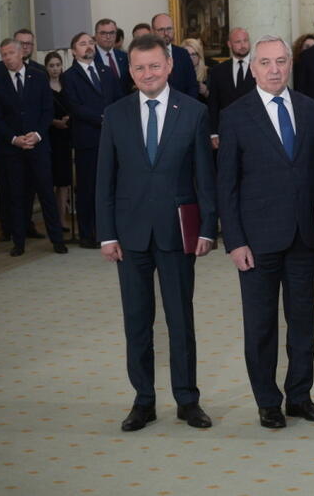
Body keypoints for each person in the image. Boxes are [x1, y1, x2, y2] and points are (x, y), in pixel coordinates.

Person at [96, 34, 217, 432]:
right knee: (137, 320)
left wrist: (207, 228)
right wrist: (106, 234)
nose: (147, 73)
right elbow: (104, 181)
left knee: (181, 319)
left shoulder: (194, 112)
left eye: (154, 65)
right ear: (130, 71)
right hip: (129, 236)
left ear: (168, 66)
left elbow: (204, 176)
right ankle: (143, 400)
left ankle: (187, 399)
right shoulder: (115, 114)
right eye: (139, 67)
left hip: (177, 231)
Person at [217, 35, 314, 429]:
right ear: (252, 69)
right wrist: (234, 240)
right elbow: (226, 185)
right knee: (261, 325)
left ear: (290, 65)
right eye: (265, 62)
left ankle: (299, 396)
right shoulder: (235, 115)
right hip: (256, 239)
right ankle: (267, 401)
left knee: (303, 321)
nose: (274, 69)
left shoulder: (312, 110)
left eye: (281, 61)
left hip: (302, 235)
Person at [0, 39, 67, 256]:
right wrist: (15, 139)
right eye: (3, 54)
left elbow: (47, 110)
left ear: (21, 53)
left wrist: (38, 135)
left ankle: (57, 241)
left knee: (46, 194)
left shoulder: (39, 77)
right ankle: (19, 243)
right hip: (13, 149)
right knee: (17, 196)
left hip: (38, 146)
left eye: (10, 53)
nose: (7, 58)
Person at [61, 32, 124, 249]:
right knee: (88, 188)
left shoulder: (107, 72)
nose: (88, 46)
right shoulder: (69, 76)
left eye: (90, 43)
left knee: (111, 185)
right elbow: (74, 106)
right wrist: (102, 118)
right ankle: (87, 233)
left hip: (111, 138)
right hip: (87, 139)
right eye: (82, 43)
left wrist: (114, 119)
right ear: (73, 51)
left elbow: (119, 99)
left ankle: (109, 231)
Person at [208, 28, 255, 150]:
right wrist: (213, 133)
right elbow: (213, 103)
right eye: (238, 42)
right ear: (229, 44)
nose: (243, 45)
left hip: (254, 129)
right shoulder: (218, 71)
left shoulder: (259, 67)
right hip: (227, 132)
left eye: (245, 41)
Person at [45, 52, 72, 230]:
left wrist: (69, 118)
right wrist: (54, 122)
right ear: (46, 67)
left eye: (57, 65)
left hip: (66, 137)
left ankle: (62, 219)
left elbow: (75, 104)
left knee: (64, 182)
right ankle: (52, 221)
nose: (55, 69)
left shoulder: (67, 84)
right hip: (48, 138)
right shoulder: (42, 86)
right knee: (50, 181)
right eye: (51, 65)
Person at [151, 13, 199, 99]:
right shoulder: (146, 55)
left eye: (169, 29)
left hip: (183, 107)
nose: (166, 33)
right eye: (161, 30)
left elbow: (192, 85)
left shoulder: (183, 54)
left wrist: (186, 107)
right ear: (153, 31)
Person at [94, 18, 131, 90]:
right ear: (95, 35)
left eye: (112, 33)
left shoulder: (124, 56)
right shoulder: (90, 58)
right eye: (103, 33)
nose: (108, 37)